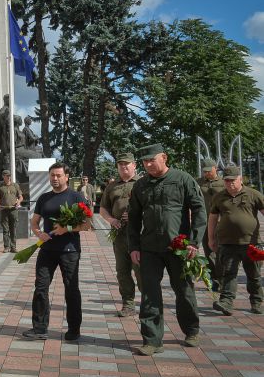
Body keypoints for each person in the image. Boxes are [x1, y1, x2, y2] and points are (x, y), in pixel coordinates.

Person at [128, 143, 207, 356]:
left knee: (184, 290)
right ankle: (152, 340)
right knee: (149, 294)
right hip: (149, 248)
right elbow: (133, 219)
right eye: (145, 161)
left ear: (164, 157)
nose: (148, 164)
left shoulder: (183, 179)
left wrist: (194, 242)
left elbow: (199, 210)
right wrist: (134, 247)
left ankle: (191, 330)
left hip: (178, 247)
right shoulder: (141, 185)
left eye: (152, 159)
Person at [23, 162, 91, 341]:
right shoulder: (44, 198)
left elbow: (86, 224)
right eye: (52, 175)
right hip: (47, 250)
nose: (55, 178)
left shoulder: (76, 197)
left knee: (71, 289)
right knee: (41, 287)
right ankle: (39, 328)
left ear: (67, 177)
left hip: (69, 251)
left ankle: (74, 330)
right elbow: (34, 221)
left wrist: (66, 228)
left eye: (58, 175)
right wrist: (38, 233)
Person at [207, 165, 264, 315]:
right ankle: (226, 302)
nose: (230, 183)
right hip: (227, 243)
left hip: (252, 243)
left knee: (254, 275)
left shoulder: (253, 194)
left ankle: (257, 302)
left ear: (240, 179)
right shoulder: (219, 197)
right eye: (226, 181)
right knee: (228, 274)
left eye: (233, 180)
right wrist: (211, 238)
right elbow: (212, 218)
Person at [99, 152, 142, 317]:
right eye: (120, 164)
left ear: (134, 165)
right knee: (122, 271)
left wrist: (136, 216)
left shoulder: (142, 183)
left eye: (126, 164)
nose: (123, 167)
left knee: (141, 271)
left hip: (139, 235)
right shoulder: (112, 186)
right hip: (119, 235)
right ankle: (128, 304)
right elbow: (103, 209)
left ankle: (148, 302)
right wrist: (111, 220)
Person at [196, 158, 226, 291]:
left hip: (222, 222)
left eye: (209, 171)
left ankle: (224, 279)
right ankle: (214, 279)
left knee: (221, 253)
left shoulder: (224, 183)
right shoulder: (198, 182)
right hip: (205, 222)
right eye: (204, 171)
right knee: (208, 252)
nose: (206, 174)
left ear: (216, 168)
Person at [0, 169, 23, 253]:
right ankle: (6, 247)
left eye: (9, 175)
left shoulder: (15, 185)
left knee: (13, 229)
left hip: (13, 210)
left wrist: (19, 201)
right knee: (5, 230)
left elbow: (21, 196)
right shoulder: (0, 186)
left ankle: (13, 247)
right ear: (3, 176)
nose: (9, 177)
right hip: (4, 210)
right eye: (7, 176)